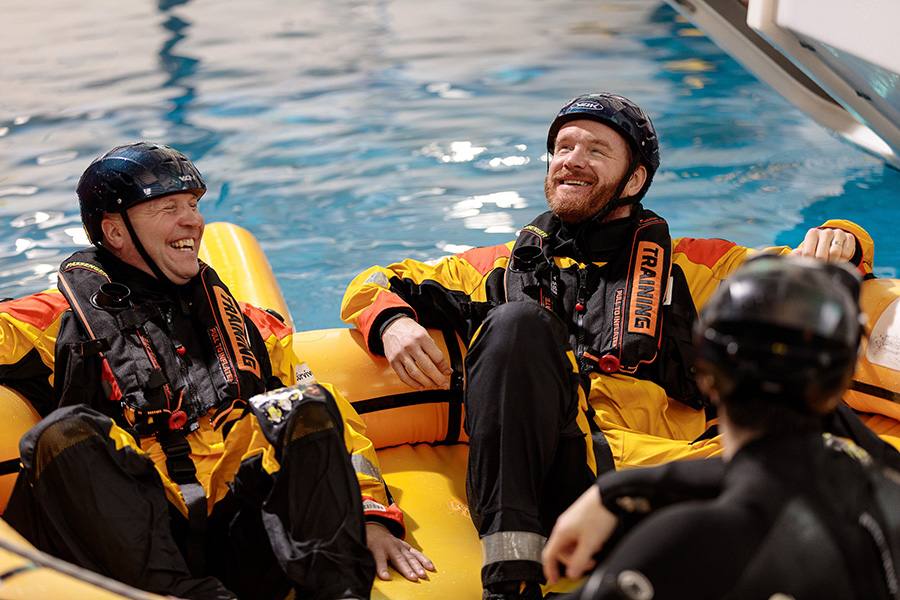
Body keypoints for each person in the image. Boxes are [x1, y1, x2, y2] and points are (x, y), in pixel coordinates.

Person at [339, 93, 888, 599]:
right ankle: (511, 581)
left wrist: (844, 236)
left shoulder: (695, 266)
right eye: (562, 147)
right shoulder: (494, 267)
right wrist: (391, 322)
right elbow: (376, 281)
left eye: (596, 150)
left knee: (819, 429)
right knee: (516, 324)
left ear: (633, 180)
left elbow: (800, 275)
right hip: (548, 477)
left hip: (654, 475)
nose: (571, 159)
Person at [0, 142, 433, 600]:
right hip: (137, 540)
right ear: (115, 232)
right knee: (62, 433)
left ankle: (336, 591)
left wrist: (370, 514)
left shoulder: (248, 324)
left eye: (192, 205)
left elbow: (329, 416)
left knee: (305, 403)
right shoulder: (59, 318)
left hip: (242, 530)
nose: (192, 221)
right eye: (169, 208)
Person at [542, 254, 900, 599]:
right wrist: (615, 490)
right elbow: (775, 469)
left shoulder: (688, 540)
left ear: (706, 378)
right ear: (842, 384)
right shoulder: (881, 484)